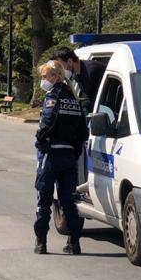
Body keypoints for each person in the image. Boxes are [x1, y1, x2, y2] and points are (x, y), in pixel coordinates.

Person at [34, 60, 88, 255]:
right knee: (68, 201)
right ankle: (74, 242)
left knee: (44, 200)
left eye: (45, 76)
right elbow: (83, 131)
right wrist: (74, 150)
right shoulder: (74, 99)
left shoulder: (53, 97)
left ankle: (41, 243)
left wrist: (40, 141)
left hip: (51, 156)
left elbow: (47, 123)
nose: (43, 80)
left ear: (55, 76)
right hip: (68, 157)